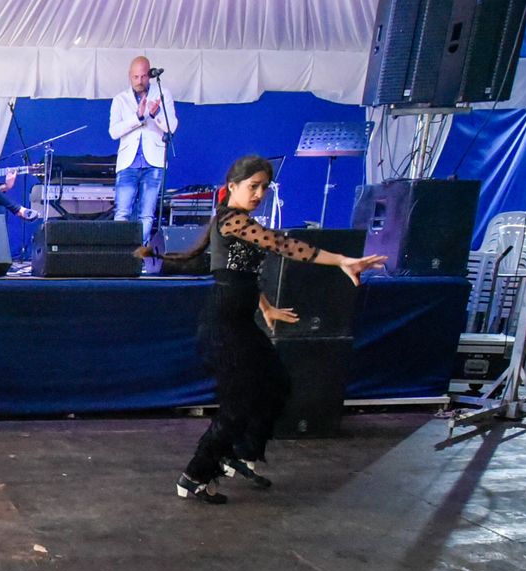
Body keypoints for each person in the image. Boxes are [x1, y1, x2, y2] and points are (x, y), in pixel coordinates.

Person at [145, 155, 385, 504]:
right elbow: (285, 245)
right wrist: (342, 260)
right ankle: (195, 475)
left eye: (264, 188)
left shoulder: (239, 223)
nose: (259, 193)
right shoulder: (232, 222)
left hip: (241, 322)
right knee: (237, 404)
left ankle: (240, 452)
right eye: (252, 186)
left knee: (276, 383)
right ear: (232, 188)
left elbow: (240, 274)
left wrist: (267, 307)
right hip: (224, 326)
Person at [110, 56, 179, 243]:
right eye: (135, 77)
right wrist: (138, 117)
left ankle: (137, 255)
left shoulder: (162, 94)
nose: (139, 81)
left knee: (147, 214)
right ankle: (120, 254)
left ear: (149, 75)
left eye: (143, 76)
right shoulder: (120, 99)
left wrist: (155, 114)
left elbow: (171, 127)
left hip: (154, 162)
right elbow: (114, 132)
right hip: (128, 162)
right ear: (129, 76)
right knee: (123, 211)